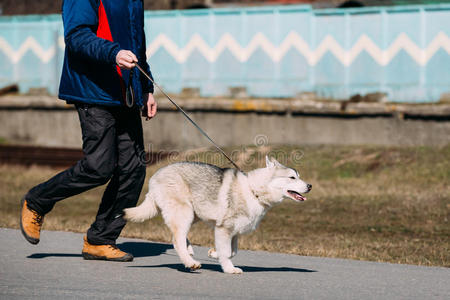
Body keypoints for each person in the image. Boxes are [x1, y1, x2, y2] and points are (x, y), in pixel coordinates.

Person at [20, 0, 157, 262]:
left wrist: (147, 86)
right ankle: (37, 201)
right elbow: (77, 37)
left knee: (134, 169)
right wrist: (114, 53)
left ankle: (100, 240)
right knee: (99, 166)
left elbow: (137, 44)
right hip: (92, 91)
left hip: (125, 91)